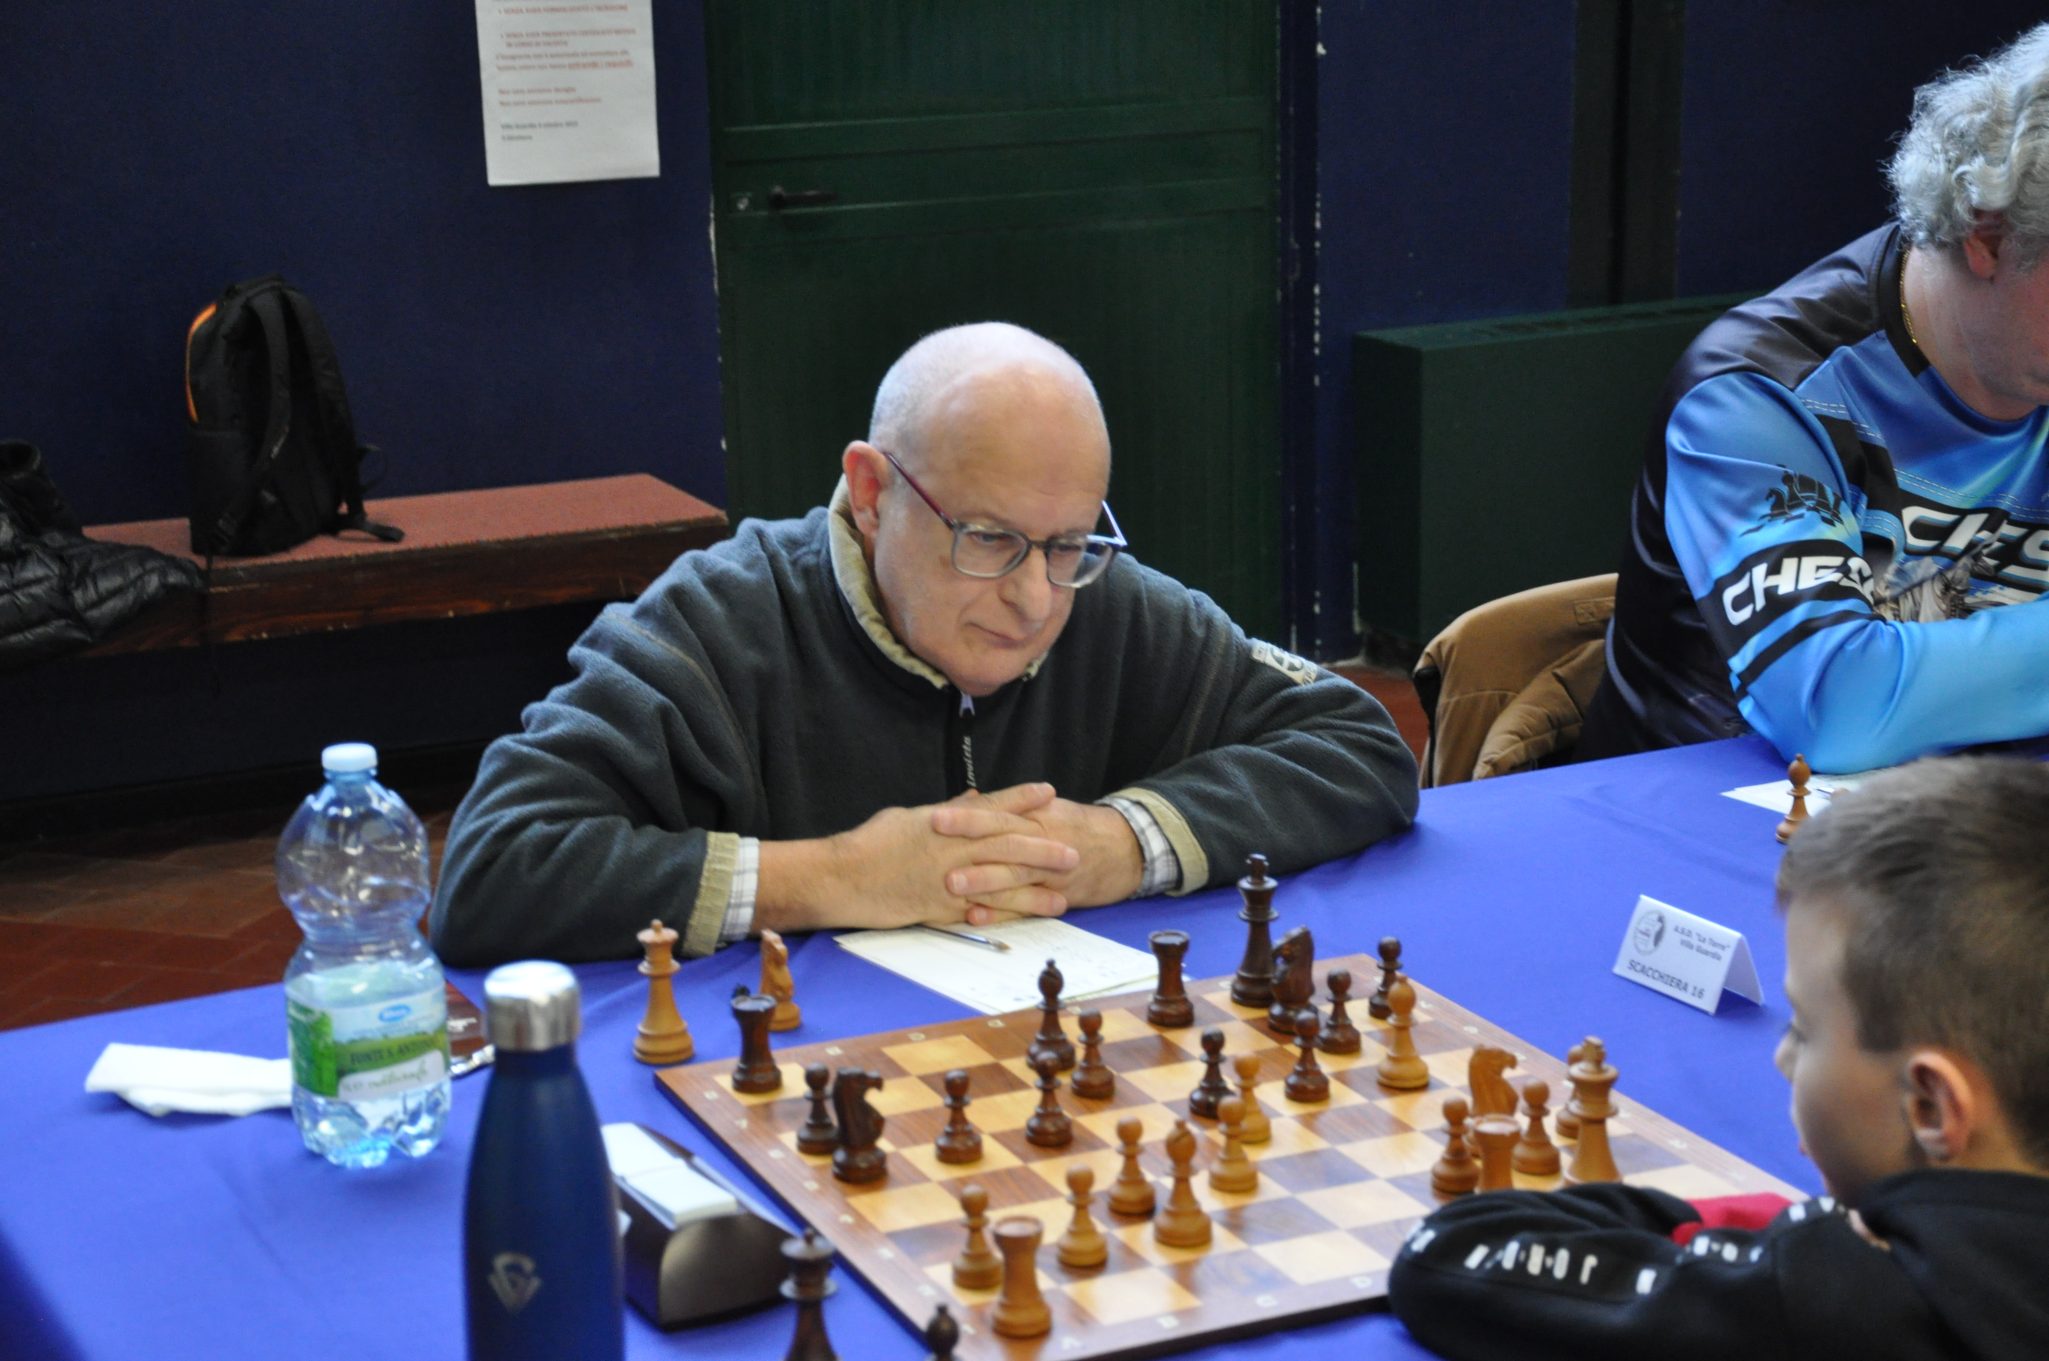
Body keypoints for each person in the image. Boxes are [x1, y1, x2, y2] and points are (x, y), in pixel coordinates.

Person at [430, 323, 1418, 965]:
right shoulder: (717, 623)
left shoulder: (1109, 604)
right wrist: (835, 876)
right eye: (986, 538)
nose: (1035, 597)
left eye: (1069, 541)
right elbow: (489, 870)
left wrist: (1122, 845)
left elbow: (1360, 744)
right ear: (872, 493)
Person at [1387, 755, 2049, 1360]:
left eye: (1804, 1027)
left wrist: (1770, 1230)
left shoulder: (1826, 1302)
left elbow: (1442, 1256)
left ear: (1930, 1106)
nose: (1782, 1057)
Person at [1581, 24, 2049, 772]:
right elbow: (1836, 705)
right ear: (1984, 234)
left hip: (1978, 807)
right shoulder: (1754, 394)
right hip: (1730, 832)